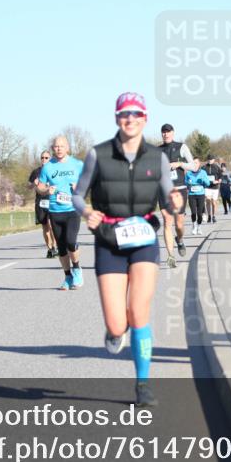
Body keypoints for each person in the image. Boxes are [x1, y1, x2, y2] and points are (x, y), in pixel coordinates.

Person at [73, 93, 182, 407]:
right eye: (124, 114)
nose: (130, 119)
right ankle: (113, 332)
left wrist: (175, 202)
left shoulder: (156, 158)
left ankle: (143, 383)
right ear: (116, 118)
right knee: (117, 323)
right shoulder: (99, 154)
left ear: (145, 118)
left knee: (139, 313)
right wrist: (86, 213)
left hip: (144, 237)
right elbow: (78, 195)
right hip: (109, 237)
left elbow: (170, 198)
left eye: (136, 114)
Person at [37, 136, 85, 289]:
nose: (59, 149)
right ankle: (68, 277)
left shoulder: (77, 164)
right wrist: (46, 190)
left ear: (67, 148)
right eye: (56, 146)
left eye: (62, 146)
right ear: (53, 148)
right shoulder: (47, 167)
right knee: (61, 247)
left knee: (71, 242)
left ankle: (77, 268)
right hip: (55, 211)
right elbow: (40, 187)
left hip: (72, 210)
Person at [158, 124, 196, 268]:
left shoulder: (182, 147)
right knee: (167, 222)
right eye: (163, 132)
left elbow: (193, 166)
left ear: (173, 133)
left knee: (179, 224)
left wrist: (179, 163)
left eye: (168, 132)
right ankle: (171, 256)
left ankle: (179, 240)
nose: (165, 134)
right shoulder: (157, 150)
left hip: (179, 189)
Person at [29, 150, 57, 258]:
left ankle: (55, 246)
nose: (44, 159)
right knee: (45, 227)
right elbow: (28, 186)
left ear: (50, 159)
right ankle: (50, 249)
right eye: (42, 157)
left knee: (52, 226)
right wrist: (33, 184)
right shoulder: (36, 172)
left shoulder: (54, 170)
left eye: (46, 158)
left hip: (52, 201)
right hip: (40, 202)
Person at [185, 158, 211, 235]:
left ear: (199, 164)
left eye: (196, 162)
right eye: (193, 163)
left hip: (200, 194)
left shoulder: (203, 172)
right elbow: (185, 182)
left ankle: (199, 226)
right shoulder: (188, 173)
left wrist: (203, 180)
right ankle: (194, 226)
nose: (195, 164)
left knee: (199, 213)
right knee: (193, 212)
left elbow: (208, 183)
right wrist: (188, 184)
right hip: (191, 195)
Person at [203, 156, 222, 223]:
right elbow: (202, 176)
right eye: (208, 159)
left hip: (215, 187)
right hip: (207, 187)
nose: (210, 160)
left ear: (213, 160)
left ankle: (214, 216)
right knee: (208, 201)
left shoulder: (217, 167)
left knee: (214, 202)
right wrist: (210, 182)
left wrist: (219, 180)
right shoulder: (204, 167)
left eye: (211, 159)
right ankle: (209, 216)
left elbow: (220, 175)